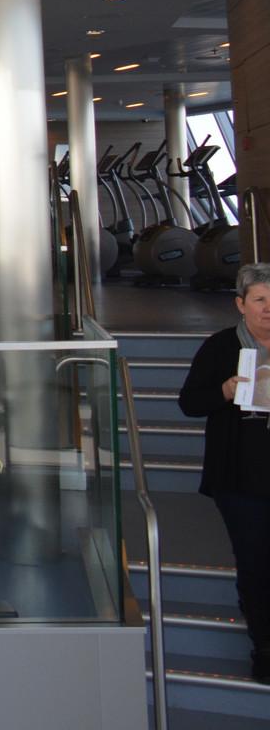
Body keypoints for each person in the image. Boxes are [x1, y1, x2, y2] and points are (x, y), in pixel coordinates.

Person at [178, 262, 270, 684]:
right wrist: (225, 391)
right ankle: (264, 646)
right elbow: (189, 403)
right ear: (240, 304)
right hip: (239, 478)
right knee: (255, 562)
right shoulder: (220, 347)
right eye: (259, 300)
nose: (267, 309)